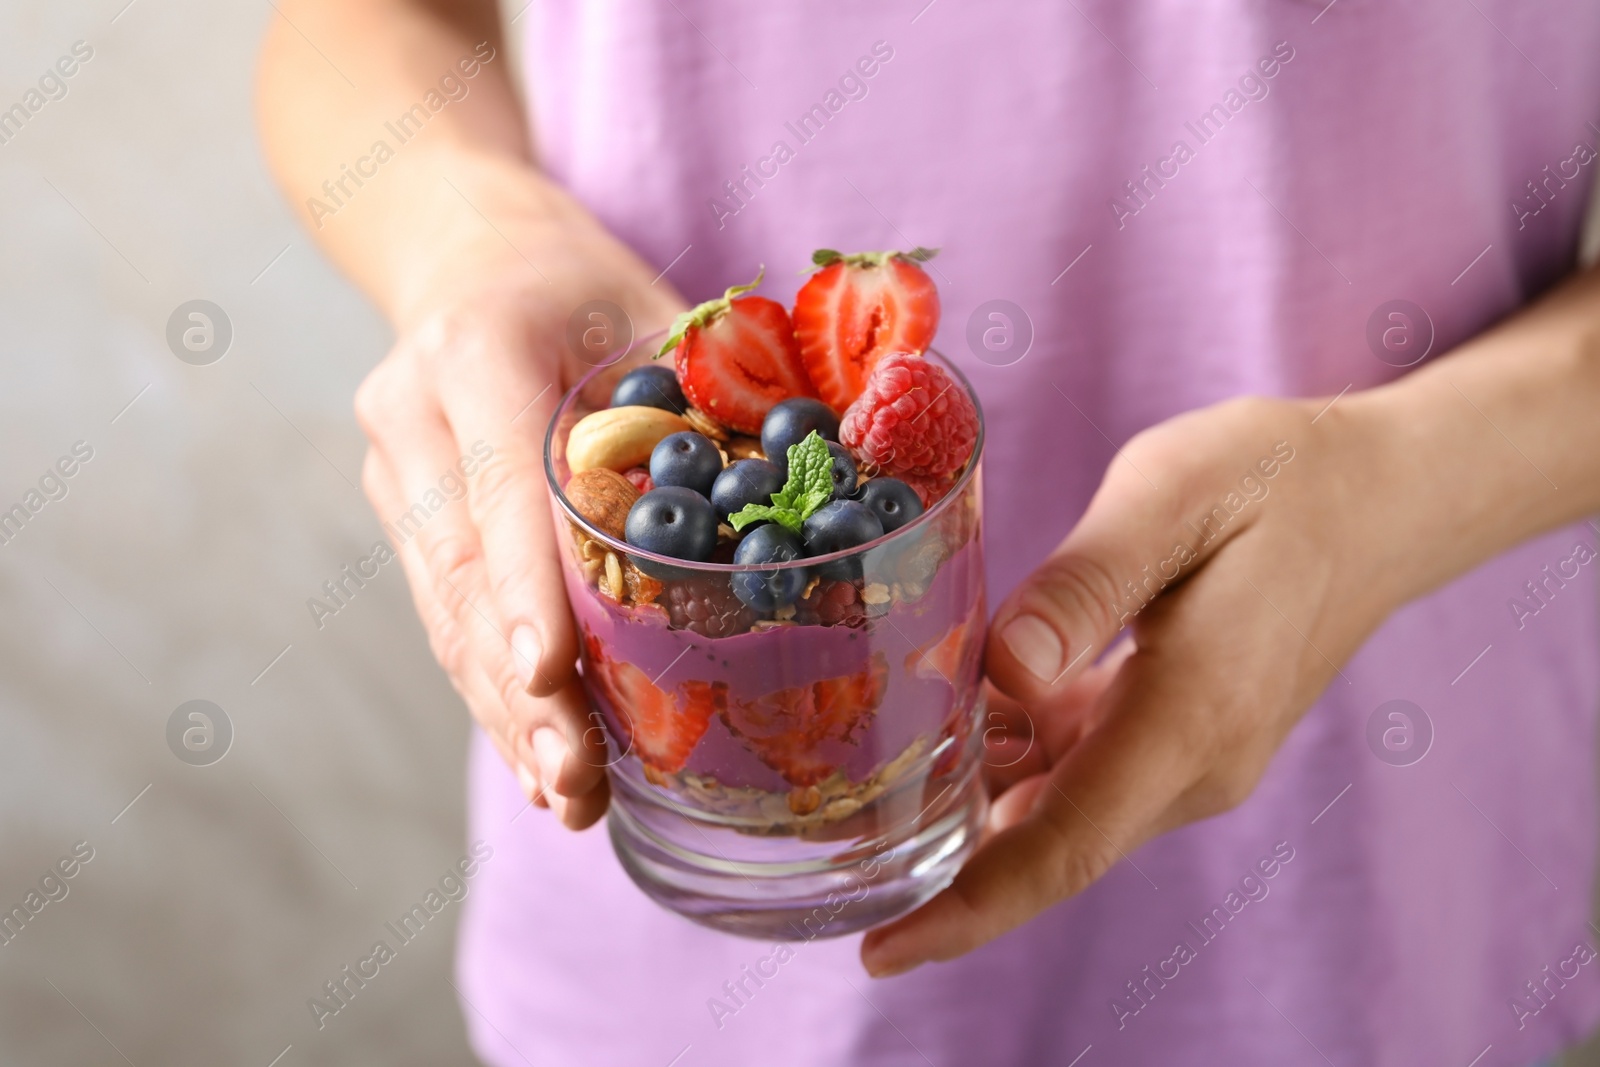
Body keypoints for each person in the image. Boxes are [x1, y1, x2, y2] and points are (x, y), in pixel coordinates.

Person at [258, 2, 1600, 1063]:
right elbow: (359, 24)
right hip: (682, 880)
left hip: (1378, 841)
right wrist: (473, 238)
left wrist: (1398, 487)